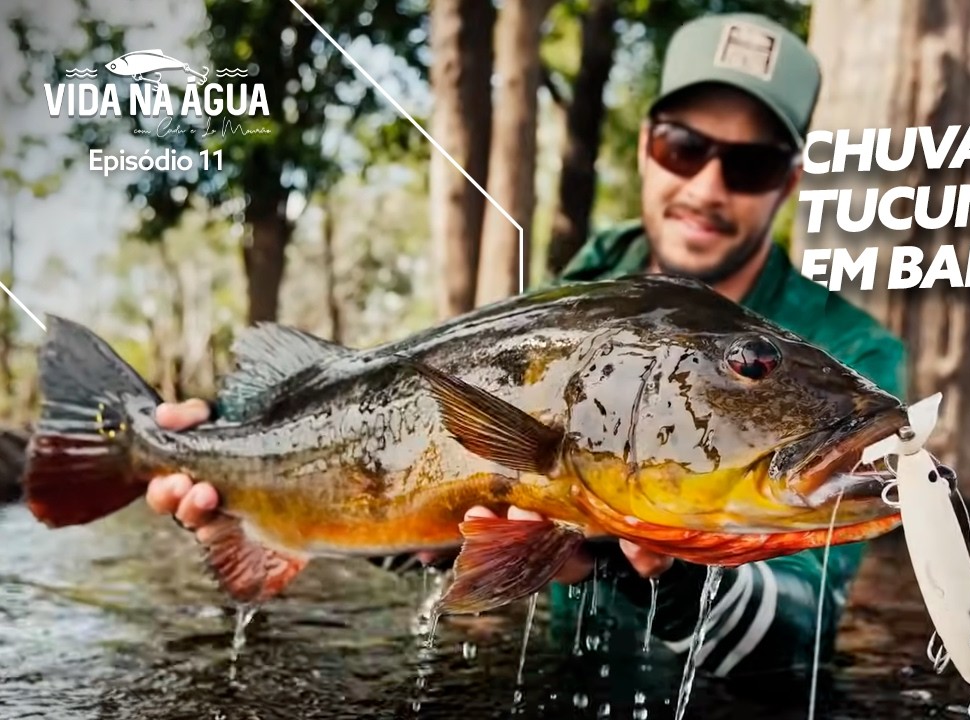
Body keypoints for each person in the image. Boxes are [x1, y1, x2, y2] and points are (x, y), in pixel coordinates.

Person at [145, 12, 907, 680]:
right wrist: (227, 453)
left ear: (790, 182)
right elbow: (413, 470)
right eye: (684, 146)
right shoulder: (574, 299)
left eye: (751, 164)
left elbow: (797, 643)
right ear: (647, 146)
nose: (708, 186)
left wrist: (622, 561)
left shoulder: (855, 357)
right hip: (552, 670)